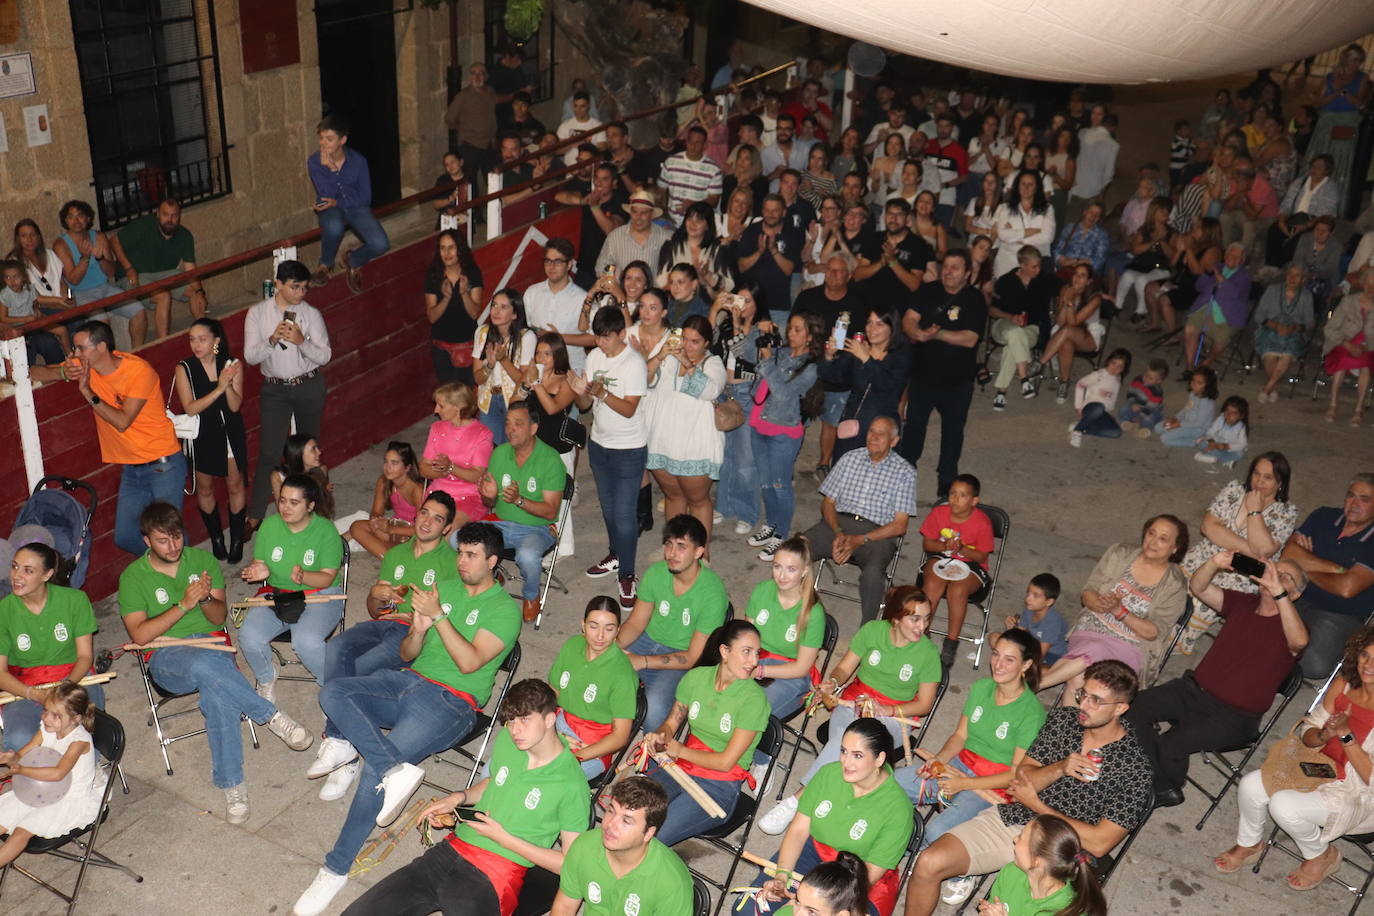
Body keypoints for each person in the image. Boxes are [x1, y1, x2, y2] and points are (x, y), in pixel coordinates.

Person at [118, 503, 312, 822]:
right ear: (146, 541)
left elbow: (220, 617)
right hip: (167, 657)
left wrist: (206, 598)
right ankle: (270, 716)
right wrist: (184, 603)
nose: (173, 546)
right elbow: (139, 636)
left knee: (218, 693)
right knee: (206, 666)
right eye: (163, 540)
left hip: (212, 644)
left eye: (177, 537)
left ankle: (232, 786)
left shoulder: (203, 561)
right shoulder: (132, 577)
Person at [907, 659, 1151, 913]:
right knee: (928, 862)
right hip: (1017, 820)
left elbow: (1101, 843)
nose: (1083, 705)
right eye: (1082, 694)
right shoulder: (1064, 721)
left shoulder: (1134, 768)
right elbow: (1022, 776)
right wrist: (1059, 768)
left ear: (1120, 708)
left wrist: (1036, 804)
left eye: (1096, 700)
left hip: (1060, 853)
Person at [332, 679, 588, 916]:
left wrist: (503, 838)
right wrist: (459, 798)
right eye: (510, 721)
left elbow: (571, 866)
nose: (515, 730)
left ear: (550, 719)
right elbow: (494, 782)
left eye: (524, 720)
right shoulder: (511, 744)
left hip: (495, 874)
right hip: (450, 851)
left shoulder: (571, 785)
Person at [1129, 551, 1307, 807]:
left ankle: (1159, 785)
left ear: (1296, 594)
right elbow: (1198, 587)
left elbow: (1299, 642)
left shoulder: (1294, 626)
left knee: (1171, 744)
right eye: (1273, 571)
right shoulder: (1243, 603)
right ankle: (1162, 784)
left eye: (1286, 577)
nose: (1275, 578)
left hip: (1234, 716)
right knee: (1132, 706)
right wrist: (1214, 563)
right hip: (1191, 690)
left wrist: (1279, 593)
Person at [760, 587, 941, 834]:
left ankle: (797, 801)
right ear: (896, 618)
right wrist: (832, 682)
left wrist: (886, 709)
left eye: (927, 617)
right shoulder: (872, 632)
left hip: (895, 718)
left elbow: (924, 704)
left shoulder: (928, 654)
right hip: (855, 703)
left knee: (848, 744)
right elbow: (844, 668)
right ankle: (825, 808)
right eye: (915, 618)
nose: (923, 625)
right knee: (848, 745)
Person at [318, 492, 459, 805]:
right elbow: (374, 609)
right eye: (424, 513)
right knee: (337, 648)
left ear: (447, 528)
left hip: (412, 634)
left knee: (358, 669)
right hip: (384, 623)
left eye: (437, 518)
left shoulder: (450, 564)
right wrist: (375, 594)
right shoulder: (396, 555)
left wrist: (418, 616)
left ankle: (344, 747)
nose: (427, 521)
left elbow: (444, 618)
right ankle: (344, 742)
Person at [1216, 624, 1374, 891]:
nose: (1368, 665)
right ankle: (1250, 842)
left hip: (1358, 792)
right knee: (1251, 785)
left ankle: (1321, 855)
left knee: (1283, 806)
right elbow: (1308, 731)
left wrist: (1346, 736)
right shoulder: (1344, 684)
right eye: (1365, 656)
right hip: (1321, 766)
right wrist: (1324, 735)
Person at [744, 718, 913, 916]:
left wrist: (805, 903)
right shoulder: (828, 774)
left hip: (858, 880)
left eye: (857, 755)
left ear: (879, 759)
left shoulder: (898, 810)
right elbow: (798, 832)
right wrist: (782, 876)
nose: (846, 763)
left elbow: (870, 874)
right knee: (748, 910)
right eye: (843, 751)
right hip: (814, 852)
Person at [900, 630, 1045, 848]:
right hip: (961, 763)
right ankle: (897, 836)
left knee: (936, 832)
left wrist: (965, 784)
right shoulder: (981, 688)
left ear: (1025, 665)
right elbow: (960, 736)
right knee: (893, 784)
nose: (998, 664)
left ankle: (937, 860)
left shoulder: (1031, 713)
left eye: (1009, 659)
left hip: (992, 785)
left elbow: (1016, 773)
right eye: (996, 654)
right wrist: (938, 761)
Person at [642, 620, 770, 846]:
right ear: (724, 651)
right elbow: (671, 723)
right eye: (747, 652)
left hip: (719, 786)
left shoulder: (754, 700)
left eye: (757, 653)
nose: (754, 661)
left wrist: (680, 750)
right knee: (634, 815)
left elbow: (725, 762)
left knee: (653, 837)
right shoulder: (697, 678)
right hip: (681, 768)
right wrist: (660, 736)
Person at [65, 321, 187, 555]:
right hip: (133, 468)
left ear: (100, 347)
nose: (75, 354)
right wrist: (62, 371)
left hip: (163, 463)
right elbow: (43, 371)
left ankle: (187, 581)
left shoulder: (139, 371)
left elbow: (122, 422)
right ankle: (164, 569)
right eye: (75, 349)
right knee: (126, 536)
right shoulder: (87, 365)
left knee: (169, 534)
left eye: (80, 348)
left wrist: (88, 393)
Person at [1039, 516, 1190, 698]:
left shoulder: (1174, 584)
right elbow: (1088, 592)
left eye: (1163, 539)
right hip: (1091, 629)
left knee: (1077, 677)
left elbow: (1154, 632)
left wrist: (1120, 612)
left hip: (1131, 647)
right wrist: (1101, 604)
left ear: (1175, 548)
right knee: (1090, 654)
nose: (1153, 541)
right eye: (1151, 533)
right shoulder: (1120, 553)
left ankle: (1034, 685)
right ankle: (1061, 717)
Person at [1177, 452, 1300, 652]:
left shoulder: (1286, 512)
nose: (1259, 481)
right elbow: (1208, 527)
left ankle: (1168, 644)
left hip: (1240, 576)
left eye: (1267, 477)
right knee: (1171, 587)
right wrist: (1251, 548)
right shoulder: (1234, 489)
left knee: (1196, 605)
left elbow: (1264, 552)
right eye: (1256, 474)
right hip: (1203, 557)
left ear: (1280, 482)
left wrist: (1254, 512)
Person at [237, 474, 344, 697]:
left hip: (321, 594)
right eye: (282, 500)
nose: (285, 507)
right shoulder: (270, 526)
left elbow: (326, 578)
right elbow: (261, 563)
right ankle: (266, 678)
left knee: (306, 641)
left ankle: (333, 689)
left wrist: (304, 576)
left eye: (294, 503)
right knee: (249, 636)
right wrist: (260, 570)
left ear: (310, 505)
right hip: (279, 595)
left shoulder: (326, 531)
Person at [618, 514, 729, 730]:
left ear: (699, 551)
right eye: (668, 544)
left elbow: (692, 657)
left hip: (682, 656)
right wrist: (610, 646)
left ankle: (653, 763)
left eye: (681, 546)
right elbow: (635, 624)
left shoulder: (713, 594)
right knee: (602, 673)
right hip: (647, 640)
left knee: (655, 706)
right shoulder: (656, 574)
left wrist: (642, 661)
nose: (671, 553)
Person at [243, 259, 331, 528]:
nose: (300, 294)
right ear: (278, 284)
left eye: (304, 288)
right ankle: (255, 514)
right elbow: (249, 356)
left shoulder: (311, 314)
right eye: (294, 287)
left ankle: (318, 510)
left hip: (308, 383)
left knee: (310, 452)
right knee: (270, 451)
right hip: (275, 388)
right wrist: (271, 340)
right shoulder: (258, 313)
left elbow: (325, 355)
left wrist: (302, 342)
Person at [570, 304, 648, 605]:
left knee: (625, 516)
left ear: (620, 334)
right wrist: (580, 391)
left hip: (629, 449)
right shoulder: (594, 357)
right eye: (597, 337)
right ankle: (617, 553)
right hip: (601, 446)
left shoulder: (634, 364)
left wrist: (601, 392)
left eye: (606, 337)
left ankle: (627, 574)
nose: (601, 343)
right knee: (608, 509)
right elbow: (587, 406)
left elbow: (629, 409)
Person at [900, 250, 987, 499]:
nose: (948, 271)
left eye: (955, 267)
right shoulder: (928, 291)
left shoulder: (975, 299)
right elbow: (909, 319)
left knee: (952, 431)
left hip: (957, 380)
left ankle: (946, 478)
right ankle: (905, 470)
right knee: (915, 426)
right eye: (946, 266)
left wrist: (935, 334)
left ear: (967, 273)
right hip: (922, 375)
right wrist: (917, 333)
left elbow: (970, 339)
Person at [0, 543, 102, 752]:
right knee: (19, 738)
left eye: (28, 570)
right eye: (15, 567)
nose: (17, 576)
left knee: (81, 731)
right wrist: (34, 694)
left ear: (47, 574)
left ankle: (82, 778)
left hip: (74, 679)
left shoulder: (74, 600)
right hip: (26, 686)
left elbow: (84, 657)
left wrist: (63, 690)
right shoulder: (4, 611)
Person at [553, 776, 693, 915]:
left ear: (649, 833)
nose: (610, 824)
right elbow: (564, 907)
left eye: (626, 820)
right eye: (611, 811)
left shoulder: (672, 882)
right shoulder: (584, 845)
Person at [0, 683, 106, 866]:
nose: (47, 718)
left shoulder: (79, 741)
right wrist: (11, 758)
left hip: (69, 798)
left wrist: (22, 770)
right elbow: (23, 753)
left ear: (76, 719)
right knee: (4, 816)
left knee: (22, 831)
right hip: (42, 788)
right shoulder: (46, 728)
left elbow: (58, 773)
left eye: (55, 715)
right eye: (45, 710)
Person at [479, 401, 566, 622]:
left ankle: (531, 596)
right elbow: (490, 500)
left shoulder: (551, 459)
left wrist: (519, 500)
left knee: (527, 556)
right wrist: (487, 494)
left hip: (537, 529)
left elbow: (550, 511)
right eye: (508, 423)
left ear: (533, 428)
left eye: (518, 423)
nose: (510, 429)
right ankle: (491, 575)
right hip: (499, 522)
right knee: (458, 540)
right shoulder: (499, 453)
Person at [1282, 476, 1374, 680]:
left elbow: (1347, 588)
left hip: (1337, 614)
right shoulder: (1323, 516)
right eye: (1351, 495)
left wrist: (1305, 565)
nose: (1354, 503)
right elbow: (1288, 553)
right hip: (1295, 593)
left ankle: (1270, 662)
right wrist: (1335, 568)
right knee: (1250, 626)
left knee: (1315, 663)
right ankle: (1273, 665)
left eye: (1364, 499)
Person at [172, 317, 247, 562]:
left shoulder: (232, 363)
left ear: (216, 341)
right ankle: (216, 538)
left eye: (202, 339)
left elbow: (235, 406)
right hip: (202, 434)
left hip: (229, 431)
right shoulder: (184, 368)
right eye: (192, 339)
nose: (196, 344)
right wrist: (218, 388)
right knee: (204, 488)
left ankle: (237, 541)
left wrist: (226, 385)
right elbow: (191, 408)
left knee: (235, 485)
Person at [749, 312, 824, 557]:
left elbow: (782, 393)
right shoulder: (779, 352)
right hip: (760, 423)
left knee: (781, 485)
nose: (791, 334)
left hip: (785, 431)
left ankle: (781, 534)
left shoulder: (810, 368)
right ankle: (770, 525)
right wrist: (761, 336)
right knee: (766, 482)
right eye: (790, 329)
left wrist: (768, 362)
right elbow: (753, 364)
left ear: (810, 336)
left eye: (798, 330)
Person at [547, 597, 638, 780]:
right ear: (583, 625)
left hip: (593, 745)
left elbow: (620, 736)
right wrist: (549, 731)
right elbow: (552, 693)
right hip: (558, 724)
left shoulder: (623, 674)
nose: (600, 636)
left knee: (548, 781)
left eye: (609, 629)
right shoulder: (573, 646)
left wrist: (576, 756)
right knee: (507, 760)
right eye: (593, 626)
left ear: (618, 631)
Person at [744, 534, 826, 726]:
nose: (782, 576)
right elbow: (745, 639)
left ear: (805, 571)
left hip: (791, 675)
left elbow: (802, 667)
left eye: (791, 569)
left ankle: (755, 755)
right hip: (755, 660)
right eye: (777, 567)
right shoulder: (762, 590)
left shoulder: (813, 613)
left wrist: (761, 670)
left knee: (752, 715)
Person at [920, 474, 997, 668]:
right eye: (952, 493)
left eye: (962, 495)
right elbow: (927, 544)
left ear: (974, 501)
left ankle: (950, 643)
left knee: (957, 590)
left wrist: (961, 549)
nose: (955, 498)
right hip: (942, 556)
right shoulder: (939, 513)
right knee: (932, 584)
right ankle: (921, 631)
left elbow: (982, 556)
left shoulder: (982, 522)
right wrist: (943, 545)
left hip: (971, 564)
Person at [307, 116, 389, 292]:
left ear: (342, 140)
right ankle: (325, 265)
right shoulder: (315, 162)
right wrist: (329, 170)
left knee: (381, 244)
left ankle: (354, 260)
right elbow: (327, 195)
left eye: (329, 139)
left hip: (356, 206)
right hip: (332, 208)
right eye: (321, 138)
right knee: (334, 225)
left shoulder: (358, 161)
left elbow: (365, 198)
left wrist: (336, 173)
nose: (323, 143)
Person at [109, 197, 209, 342]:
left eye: (174, 215)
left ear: (179, 216)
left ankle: (205, 333)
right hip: (133, 276)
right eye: (165, 214)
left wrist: (200, 292)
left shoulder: (184, 235)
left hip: (162, 275)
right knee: (163, 295)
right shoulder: (144, 226)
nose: (170, 219)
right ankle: (164, 343)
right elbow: (114, 240)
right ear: (157, 214)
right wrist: (129, 268)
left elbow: (190, 269)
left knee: (194, 291)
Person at [815, 309, 910, 463]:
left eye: (879, 324)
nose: (872, 328)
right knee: (844, 472)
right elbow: (833, 377)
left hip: (882, 427)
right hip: (854, 423)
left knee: (876, 477)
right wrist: (829, 355)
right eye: (869, 323)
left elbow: (890, 387)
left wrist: (866, 358)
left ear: (892, 328)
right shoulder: (859, 348)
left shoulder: (900, 355)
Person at [52, 200, 144, 340]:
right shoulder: (61, 244)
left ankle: (138, 352)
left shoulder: (99, 237)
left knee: (139, 310)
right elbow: (74, 280)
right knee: (101, 321)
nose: (76, 221)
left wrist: (100, 258)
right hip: (81, 294)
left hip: (105, 288)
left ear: (88, 218)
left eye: (80, 216)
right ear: (65, 220)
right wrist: (85, 257)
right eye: (71, 217)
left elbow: (111, 272)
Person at [982, 815, 1109, 916]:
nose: (1015, 838)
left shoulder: (1067, 911)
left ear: (1036, 861)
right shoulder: (1010, 872)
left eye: (1021, 837)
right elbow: (994, 901)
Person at [420, 382, 494, 532]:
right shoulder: (437, 428)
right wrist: (445, 470)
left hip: (469, 497)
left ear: (457, 407)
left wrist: (451, 467)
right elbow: (423, 468)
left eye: (441, 406)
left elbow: (477, 475)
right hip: (438, 493)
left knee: (444, 530)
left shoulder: (482, 434)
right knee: (425, 528)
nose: (435, 410)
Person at [989, 246, 1054, 409]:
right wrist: (1010, 317)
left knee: (1013, 341)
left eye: (1039, 265)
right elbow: (991, 309)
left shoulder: (1043, 281)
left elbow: (1065, 287)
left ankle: (1001, 392)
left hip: (1031, 329)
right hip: (1003, 325)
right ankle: (1024, 378)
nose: (1038, 270)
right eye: (1034, 266)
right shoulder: (1005, 281)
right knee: (1014, 332)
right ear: (1022, 264)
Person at [1032, 264, 1105, 405]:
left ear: (1089, 281)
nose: (1077, 278)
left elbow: (1073, 323)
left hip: (1088, 337)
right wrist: (1066, 298)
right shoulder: (1066, 289)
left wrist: (1070, 301)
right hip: (1067, 334)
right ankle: (1064, 383)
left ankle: (1040, 362)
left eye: (1082, 275)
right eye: (1076, 274)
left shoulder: (1095, 299)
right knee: (1066, 342)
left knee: (1066, 331)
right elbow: (1060, 320)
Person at [474, 288, 537, 446]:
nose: (496, 311)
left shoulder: (526, 337)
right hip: (488, 400)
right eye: (494, 305)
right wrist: (489, 366)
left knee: (515, 448)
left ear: (515, 314)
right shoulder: (482, 332)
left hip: (514, 400)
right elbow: (477, 378)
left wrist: (504, 360)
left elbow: (523, 380)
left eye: (503, 307)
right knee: (492, 450)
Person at [426, 228, 485, 386]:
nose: (447, 253)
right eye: (443, 248)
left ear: (460, 249)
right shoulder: (434, 275)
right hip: (442, 347)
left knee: (466, 396)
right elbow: (432, 317)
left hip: (468, 344)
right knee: (449, 396)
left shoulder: (472, 272)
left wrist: (464, 293)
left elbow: (474, 313)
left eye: (451, 247)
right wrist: (446, 298)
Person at [347, 441, 425, 560]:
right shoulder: (383, 482)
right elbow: (376, 512)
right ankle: (391, 559)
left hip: (413, 535)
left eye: (394, 463)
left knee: (415, 543)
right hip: (394, 529)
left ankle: (395, 558)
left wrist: (391, 529)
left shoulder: (417, 490)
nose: (388, 467)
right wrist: (376, 521)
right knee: (356, 527)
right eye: (386, 461)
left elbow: (422, 529)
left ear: (407, 467)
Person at [526, 237, 593, 373]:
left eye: (557, 261)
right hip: (540, 371)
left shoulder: (582, 298)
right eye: (548, 261)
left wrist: (559, 338)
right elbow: (527, 329)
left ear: (569, 265)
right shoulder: (532, 292)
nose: (551, 266)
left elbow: (594, 338)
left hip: (572, 371)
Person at [738, 194, 805, 327]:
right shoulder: (751, 231)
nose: (770, 214)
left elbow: (788, 269)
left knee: (774, 346)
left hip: (778, 306)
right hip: (750, 305)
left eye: (775, 210)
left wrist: (773, 250)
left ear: (784, 212)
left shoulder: (792, 233)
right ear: (762, 211)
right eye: (767, 210)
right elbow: (742, 267)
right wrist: (759, 252)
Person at [1252, 264, 1315, 403]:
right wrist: (1274, 325)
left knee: (1287, 354)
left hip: (1294, 332)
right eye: (1290, 274)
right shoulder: (1272, 290)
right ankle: (1273, 388)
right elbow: (1259, 315)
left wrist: (1293, 328)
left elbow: (1310, 323)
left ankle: (1267, 388)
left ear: (1303, 280)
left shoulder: (1306, 296)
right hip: (1270, 329)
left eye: (1297, 276)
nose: (1292, 278)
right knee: (1270, 354)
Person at [854, 199, 930, 314]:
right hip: (869, 303)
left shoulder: (918, 245)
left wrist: (893, 262)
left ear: (907, 219)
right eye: (890, 214)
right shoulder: (873, 239)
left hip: (899, 308)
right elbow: (857, 275)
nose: (893, 219)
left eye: (899, 215)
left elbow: (914, 285)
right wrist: (881, 263)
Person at [1321, 280, 1374, 425]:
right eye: (1369, 284)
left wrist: (1365, 346)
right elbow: (1330, 328)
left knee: (1366, 363)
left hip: (1368, 346)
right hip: (1343, 342)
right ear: (1364, 285)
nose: (1371, 288)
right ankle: (1333, 404)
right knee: (1342, 360)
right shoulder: (1349, 301)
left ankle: (1358, 409)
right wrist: (1347, 344)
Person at [992, 170, 1056, 277]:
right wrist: (1031, 231)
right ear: (1017, 186)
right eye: (1023, 183)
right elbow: (1002, 234)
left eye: (1030, 184)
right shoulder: (1005, 208)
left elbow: (1047, 237)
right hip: (1008, 261)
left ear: (1036, 188)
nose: (1026, 187)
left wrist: (1018, 237)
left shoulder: (1048, 209)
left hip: (1036, 262)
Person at [596, 193, 673, 280]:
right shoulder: (615, 236)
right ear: (630, 213)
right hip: (621, 291)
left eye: (644, 212)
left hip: (653, 292)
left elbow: (676, 271)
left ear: (652, 215)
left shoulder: (667, 237)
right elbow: (602, 268)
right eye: (635, 211)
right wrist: (619, 276)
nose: (638, 217)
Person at [444, 63, 497, 179]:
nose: (477, 77)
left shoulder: (490, 92)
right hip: (470, 146)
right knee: (469, 181)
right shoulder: (463, 96)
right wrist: (464, 128)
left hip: (488, 144)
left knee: (493, 179)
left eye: (481, 73)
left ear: (486, 76)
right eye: (474, 73)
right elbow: (449, 119)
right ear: (470, 77)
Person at [1068, 348, 1131, 446]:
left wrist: (1110, 412)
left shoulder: (1117, 379)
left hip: (1103, 412)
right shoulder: (1098, 375)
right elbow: (1080, 384)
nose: (1114, 368)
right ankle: (1077, 431)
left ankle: (1084, 427)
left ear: (1123, 369)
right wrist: (1078, 406)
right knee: (1099, 407)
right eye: (1113, 363)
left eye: (1119, 367)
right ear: (1108, 361)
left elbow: (1112, 398)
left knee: (1116, 432)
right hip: (1091, 408)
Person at [660, 125, 723, 221]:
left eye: (698, 143)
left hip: (698, 222)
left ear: (705, 145)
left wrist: (694, 204)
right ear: (686, 141)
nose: (693, 146)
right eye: (690, 141)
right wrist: (665, 213)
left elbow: (714, 200)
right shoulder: (671, 162)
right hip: (671, 222)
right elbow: (662, 189)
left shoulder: (713, 170)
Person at [1003, 574, 1070, 665]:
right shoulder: (1029, 610)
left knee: (1043, 671)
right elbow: (1020, 638)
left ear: (1049, 602)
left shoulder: (1053, 621)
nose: (1028, 599)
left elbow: (1040, 655)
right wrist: (1011, 629)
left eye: (1035, 596)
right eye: (1028, 593)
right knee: (995, 638)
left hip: (1053, 656)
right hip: (1032, 647)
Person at [1067, 111, 1119, 222]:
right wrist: (1102, 194)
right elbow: (1109, 174)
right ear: (1114, 128)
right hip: (1094, 192)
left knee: (1070, 224)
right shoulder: (1113, 145)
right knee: (1087, 224)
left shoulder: (1082, 133)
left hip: (1076, 187)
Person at [1149, 365, 1218, 444]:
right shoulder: (1193, 393)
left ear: (1208, 385)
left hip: (1197, 429)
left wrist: (1178, 424)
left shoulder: (1206, 403)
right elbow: (1186, 409)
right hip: (1185, 422)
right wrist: (1176, 418)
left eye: (1199, 383)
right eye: (1193, 380)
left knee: (1165, 438)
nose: (1194, 384)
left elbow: (1198, 423)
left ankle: (1194, 442)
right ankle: (1177, 431)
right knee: (1158, 428)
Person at [1192, 395, 1250, 467]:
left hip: (1230, 448)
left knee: (1240, 454)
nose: (1229, 415)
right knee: (1201, 442)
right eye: (1227, 410)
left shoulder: (1241, 427)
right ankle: (1224, 460)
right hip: (1216, 443)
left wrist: (1226, 446)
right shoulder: (1220, 419)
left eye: (1234, 413)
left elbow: (1242, 444)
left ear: (1241, 416)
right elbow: (1210, 432)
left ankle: (1208, 457)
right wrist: (1211, 441)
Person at [557, 90, 606, 166]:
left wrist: (586, 143)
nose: (578, 110)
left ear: (588, 106)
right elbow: (557, 150)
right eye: (576, 106)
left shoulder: (598, 126)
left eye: (582, 106)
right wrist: (572, 143)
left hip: (590, 168)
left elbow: (602, 149)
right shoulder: (565, 125)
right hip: (569, 169)